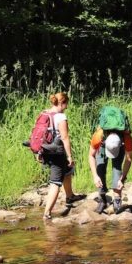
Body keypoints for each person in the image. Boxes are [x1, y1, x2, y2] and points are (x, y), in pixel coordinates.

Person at [42, 92, 82, 220]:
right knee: (55, 182)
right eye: (66, 103)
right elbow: (65, 137)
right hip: (57, 152)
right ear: (61, 103)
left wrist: (38, 152)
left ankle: (70, 196)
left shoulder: (44, 113)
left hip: (46, 150)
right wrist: (69, 156)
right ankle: (47, 213)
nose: (67, 106)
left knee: (68, 170)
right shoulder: (61, 117)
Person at [88, 113, 132, 214]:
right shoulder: (98, 136)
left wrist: (122, 178)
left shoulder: (126, 138)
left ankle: (117, 200)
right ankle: (102, 199)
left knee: (117, 168)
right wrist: (95, 176)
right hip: (103, 145)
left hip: (119, 145)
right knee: (100, 166)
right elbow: (91, 156)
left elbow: (129, 159)